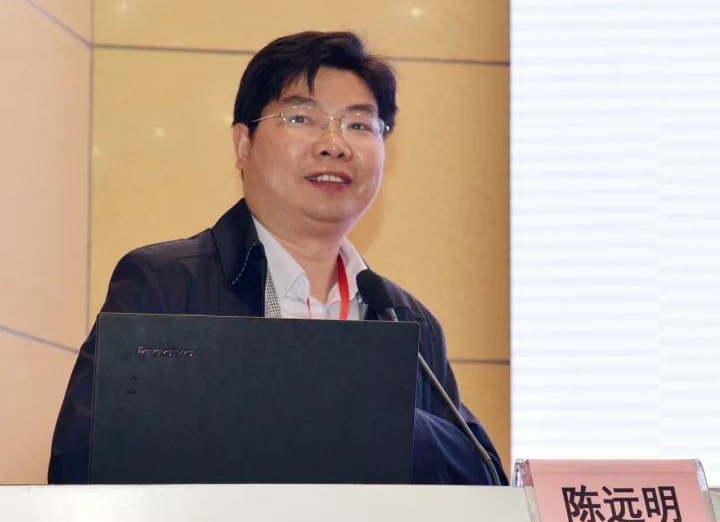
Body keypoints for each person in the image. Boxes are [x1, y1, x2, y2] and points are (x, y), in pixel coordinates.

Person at [47, 31, 508, 487]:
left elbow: (482, 481)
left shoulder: (405, 317)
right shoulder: (166, 284)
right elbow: (81, 466)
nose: (334, 144)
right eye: (301, 118)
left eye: (359, 125)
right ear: (243, 144)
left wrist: (377, 417)